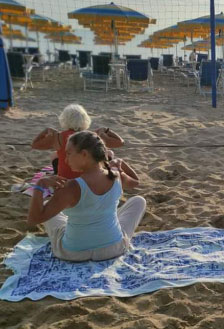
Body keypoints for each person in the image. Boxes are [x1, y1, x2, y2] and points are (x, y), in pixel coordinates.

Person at [27, 130, 146, 261]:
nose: (66, 159)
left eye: (69, 154)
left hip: (74, 253)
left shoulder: (71, 187)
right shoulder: (116, 175)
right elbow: (136, 181)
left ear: (84, 154)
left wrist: (39, 186)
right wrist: (120, 163)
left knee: (46, 207)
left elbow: (34, 219)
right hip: (112, 249)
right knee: (139, 201)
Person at [31, 104, 124, 179]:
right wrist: (107, 130)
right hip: (87, 178)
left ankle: (56, 172)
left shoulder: (57, 136)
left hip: (65, 178)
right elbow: (120, 142)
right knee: (109, 152)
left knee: (55, 154)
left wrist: (45, 131)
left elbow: (34, 145)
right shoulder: (92, 136)